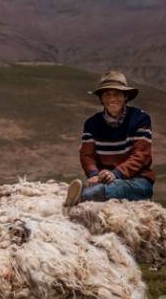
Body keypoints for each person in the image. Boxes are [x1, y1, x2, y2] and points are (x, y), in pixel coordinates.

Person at [64, 71, 155, 207]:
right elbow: (87, 155)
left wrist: (116, 173)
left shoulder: (140, 119)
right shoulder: (92, 123)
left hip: (137, 181)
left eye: (117, 94)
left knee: (108, 189)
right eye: (107, 94)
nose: (112, 99)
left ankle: (80, 198)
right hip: (104, 179)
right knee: (103, 188)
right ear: (101, 99)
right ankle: (85, 195)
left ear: (125, 97)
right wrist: (93, 174)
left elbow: (141, 155)